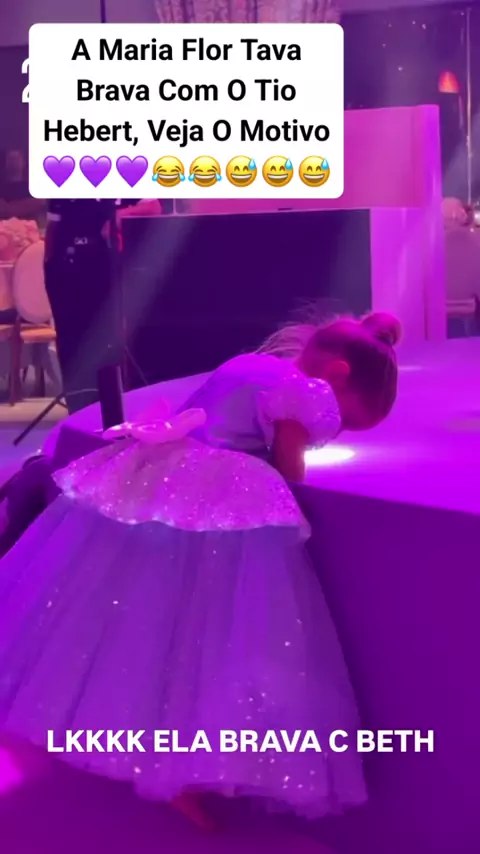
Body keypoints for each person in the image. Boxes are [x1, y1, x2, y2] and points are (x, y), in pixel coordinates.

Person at [0, 311, 400, 829]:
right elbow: (290, 465)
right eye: (344, 418)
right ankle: (177, 768)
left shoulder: (250, 364)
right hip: (214, 496)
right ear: (338, 375)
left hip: (160, 474)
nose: (336, 426)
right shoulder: (303, 390)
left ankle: (129, 744)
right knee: (207, 636)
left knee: (136, 623)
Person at [44, 199, 143, 413]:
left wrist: (119, 216)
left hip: (108, 266)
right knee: (70, 340)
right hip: (66, 269)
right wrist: (50, 267)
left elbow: (153, 206)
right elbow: (53, 228)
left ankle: (112, 406)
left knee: (108, 339)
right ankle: (77, 405)